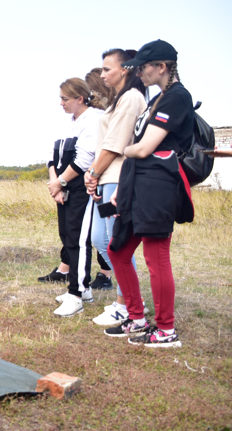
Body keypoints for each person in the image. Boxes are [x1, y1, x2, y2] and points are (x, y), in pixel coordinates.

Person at [105, 40, 194, 348]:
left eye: (142, 67)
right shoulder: (159, 97)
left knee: (156, 256)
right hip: (137, 183)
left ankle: (166, 330)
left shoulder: (178, 97)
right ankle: (137, 317)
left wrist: (122, 150)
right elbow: (140, 150)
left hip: (158, 185)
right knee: (118, 249)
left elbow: (143, 148)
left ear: (162, 67)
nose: (138, 73)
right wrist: (123, 185)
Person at [84, 50, 149, 326]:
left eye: (106, 69)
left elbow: (116, 144)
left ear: (125, 69)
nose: (102, 75)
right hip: (105, 176)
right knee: (100, 240)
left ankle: (127, 303)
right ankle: (127, 295)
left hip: (118, 177)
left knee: (117, 244)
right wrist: (95, 174)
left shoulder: (132, 97)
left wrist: (94, 172)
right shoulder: (118, 100)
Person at [47, 78, 102, 317]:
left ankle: (76, 294)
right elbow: (52, 155)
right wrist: (56, 185)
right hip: (63, 188)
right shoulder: (68, 122)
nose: (61, 103)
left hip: (81, 188)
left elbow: (84, 159)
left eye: (65, 99)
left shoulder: (94, 120)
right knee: (67, 236)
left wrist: (60, 182)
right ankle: (84, 287)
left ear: (80, 98)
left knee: (79, 240)